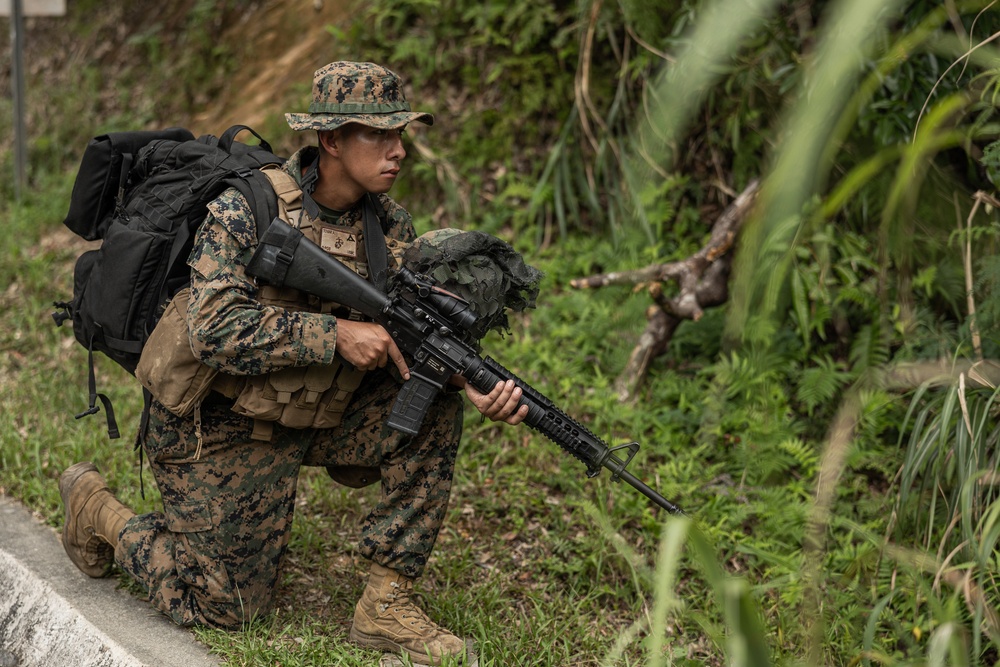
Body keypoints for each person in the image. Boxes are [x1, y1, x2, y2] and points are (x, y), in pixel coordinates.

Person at [59, 61, 529, 666]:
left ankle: (385, 605)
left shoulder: (388, 225)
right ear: (331, 141)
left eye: (402, 134)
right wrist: (333, 334)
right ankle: (97, 510)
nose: (400, 151)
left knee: (434, 396)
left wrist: (468, 379)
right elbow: (212, 328)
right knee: (226, 610)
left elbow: (407, 333)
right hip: (215, 427)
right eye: (380, 135)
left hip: (309, 411)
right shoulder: (245, 210)